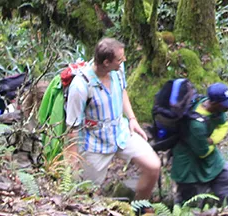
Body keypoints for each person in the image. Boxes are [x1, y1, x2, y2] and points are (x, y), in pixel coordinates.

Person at [64, 38, 161, 201]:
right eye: (119, 59)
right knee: (85, 193)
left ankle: (139, 207)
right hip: (95, 144)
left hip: (121, 132)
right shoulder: (80, 87)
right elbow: (72, 126)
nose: (123, 61)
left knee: (153, 166)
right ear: (106, 62)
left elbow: (122, 90)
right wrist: (72, 161)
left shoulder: (118, 70)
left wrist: (132, 118)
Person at [170, 82, 228, 206]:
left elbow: (224, 123)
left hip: (210, 158)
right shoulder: (197, 125)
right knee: (192, 205)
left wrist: (212, 140)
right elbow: (203, 152)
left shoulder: (215, 108)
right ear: (214, 103)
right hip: (189, 167)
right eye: (225, 104)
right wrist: (213, 143)